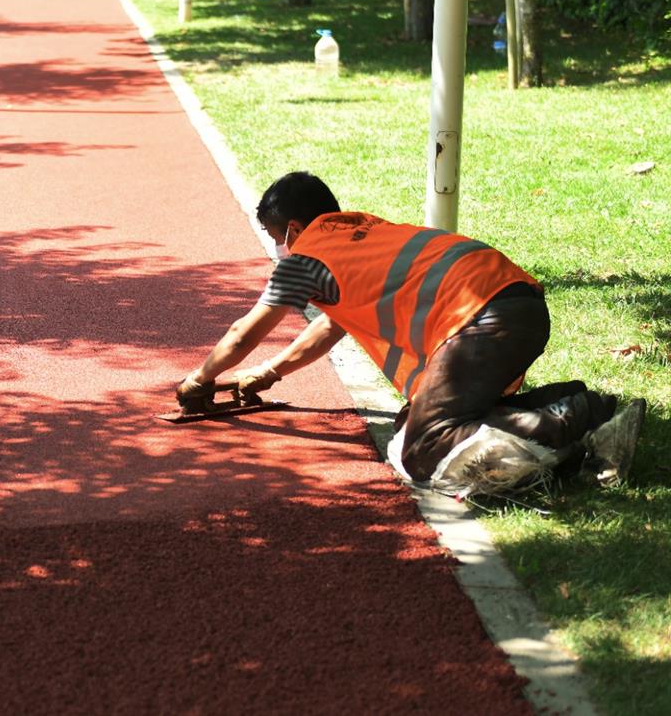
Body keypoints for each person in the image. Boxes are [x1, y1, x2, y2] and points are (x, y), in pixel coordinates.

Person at [178, 171, 645, 498]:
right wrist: (269, 373)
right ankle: (575, 404)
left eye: (276, 235)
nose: (277, 247)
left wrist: (198, 381)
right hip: (515, 302)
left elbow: (243, 333)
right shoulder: (363, 232)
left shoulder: (303, 261)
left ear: (295, 229)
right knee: (414, 421)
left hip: (481, 319)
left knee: (422, 448)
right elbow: (329, 327)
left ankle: (578, 420)